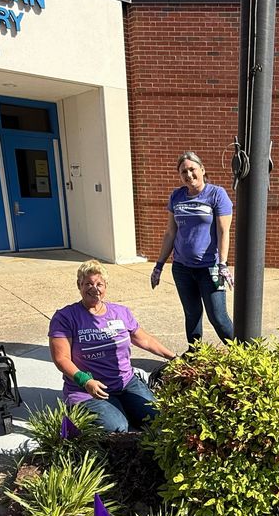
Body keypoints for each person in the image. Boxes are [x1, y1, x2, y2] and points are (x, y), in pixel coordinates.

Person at [49, 260, 176, 432]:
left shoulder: (120, 312)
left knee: (157, 419)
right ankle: (77, 409)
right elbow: (61, 358)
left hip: (126, 382)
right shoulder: (65, 317)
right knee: (116, 428)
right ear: (79, 285)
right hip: (88, 388)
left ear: (105, 286)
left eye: (99, 284)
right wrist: (85, 381)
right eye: (88, 284)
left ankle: (124, 407)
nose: (94, 289)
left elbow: (144, 339)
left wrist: (174, 358)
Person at [150, 151, 235, 346]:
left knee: (218, 317)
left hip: (210, 268)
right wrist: (159, 265)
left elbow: (224, 231)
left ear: (202, 170)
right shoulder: (177, 196)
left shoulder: (216, 194)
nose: (188, 175)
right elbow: (170, 233)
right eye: (183, 171)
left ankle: (244, 356)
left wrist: (223, 264)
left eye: (192, 169)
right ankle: (195, 354)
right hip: (181, 268)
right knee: (192, 314)